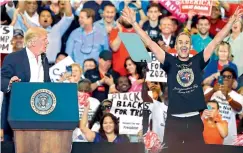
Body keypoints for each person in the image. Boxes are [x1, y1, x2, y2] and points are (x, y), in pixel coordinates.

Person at [121, 6, 243, 151]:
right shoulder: (169, 61)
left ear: (190, 45)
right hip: (173, 120)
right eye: (180, 42)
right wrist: (134, 24)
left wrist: (230, 22)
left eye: (186, 42)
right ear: (176, 46)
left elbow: (216, 40)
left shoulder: (198, 60)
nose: (184, 45)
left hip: (193, 120)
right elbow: (150, 43)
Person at [1, 27, 50, 141]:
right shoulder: (13, 58)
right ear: (33, 42)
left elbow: (46, 84)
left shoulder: (44, 59)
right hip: (18, 114)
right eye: (44, 39)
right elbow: (2, 78)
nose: (47, 42)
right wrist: (10, 82)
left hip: (40, 114)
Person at [204, 67, 243, 145]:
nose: (226, 79)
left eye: (229, 77)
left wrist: (227, 96)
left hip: (228, 137)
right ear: (220, 78)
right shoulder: (210, 91)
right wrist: (213, 90)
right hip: (208, 135)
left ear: (233, 80)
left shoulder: (238, 97)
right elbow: (200, 103)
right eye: (223, 76)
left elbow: (239, 109)